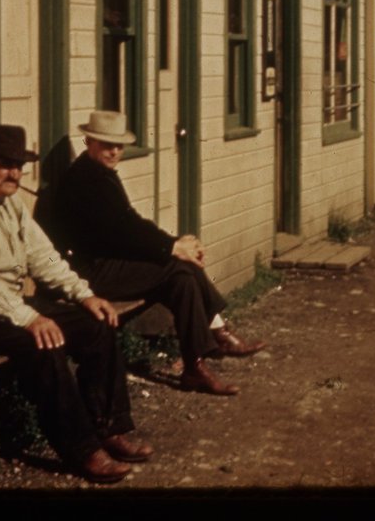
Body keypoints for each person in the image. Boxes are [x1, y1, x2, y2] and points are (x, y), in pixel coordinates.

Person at [0, 123, 153, 484]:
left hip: (0, 306)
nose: (14, 172)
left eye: (19, 164)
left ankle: (109, 429)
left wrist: (84, 294)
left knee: (95, 322)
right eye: (4, 164)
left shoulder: (10, 203)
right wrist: (30, 318)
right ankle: (83, 451)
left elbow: (43, 256)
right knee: (41, 342)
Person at [43, 111, 265, 397]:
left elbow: (131, 223)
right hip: (87, 272)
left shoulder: (99, 173)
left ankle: (195, 366)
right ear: (89, 142)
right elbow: (125, 230)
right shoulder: (85, 180)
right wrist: (174, 248)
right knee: (178, 267)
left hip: (110, 262)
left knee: (181, 278)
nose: (114, 152)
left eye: (118, 146)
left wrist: (174, 244)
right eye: (106, 145)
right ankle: (217, 334)